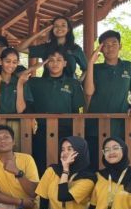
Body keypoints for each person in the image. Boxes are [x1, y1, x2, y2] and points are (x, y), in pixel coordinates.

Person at [19, 46, 85, 174]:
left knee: (66, 167)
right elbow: (17, 78)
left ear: (65, 63)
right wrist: (33, 68)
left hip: (67, 133)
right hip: (42, 131)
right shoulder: (35, 83)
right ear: (46, 63)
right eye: (51, 60)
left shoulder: (73, 84)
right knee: (41, 166)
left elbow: (77, 110)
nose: (55, 63)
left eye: (59, 60)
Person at [83, 31, 131, 167]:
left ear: (120, 46)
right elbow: (88, 92)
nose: (110, 48)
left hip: (121, 125)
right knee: (95, 164)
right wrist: (91, 63)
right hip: (94, 126)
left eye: (114, 44)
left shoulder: (128, 66)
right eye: (106, 45)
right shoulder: (95, 69)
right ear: (101, 49)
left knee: (119, 164)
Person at [20, 15, 87, 79]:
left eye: (63, 25)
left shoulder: (75, 48)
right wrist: (39, 33)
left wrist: (79, 82)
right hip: (47, 87)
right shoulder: (46, 47)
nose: (59, 28)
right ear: (52, 29)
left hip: (69, 88)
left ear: (68, 29)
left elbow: (87, 69)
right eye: (56, 26)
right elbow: (21, 49)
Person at [0, 47, 24, 115]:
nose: (11, 65)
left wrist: (20, 85)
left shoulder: (21, 81)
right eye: (7, 61)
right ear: (0, 61)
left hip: (16, 123)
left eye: (14, 62)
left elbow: (20, 110)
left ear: (18, 63)